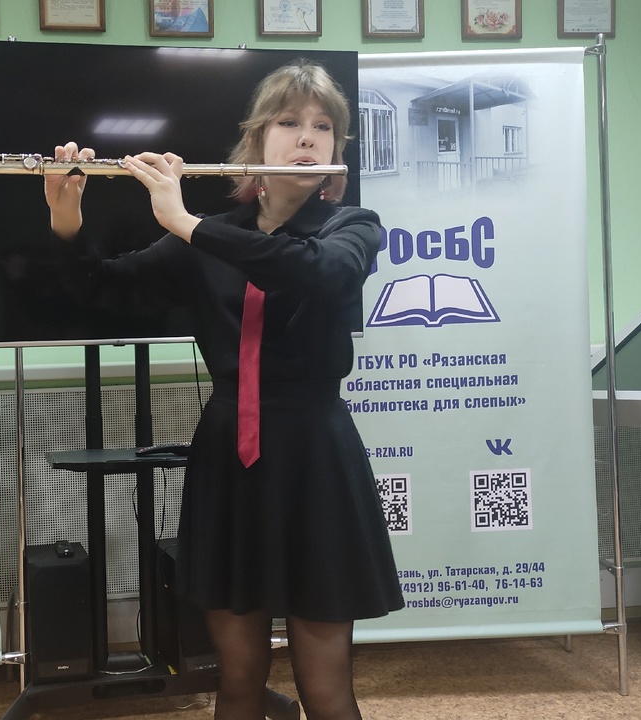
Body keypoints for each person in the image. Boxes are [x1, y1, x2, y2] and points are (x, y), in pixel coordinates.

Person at [44, 60, 404, 720]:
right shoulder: (210, 235)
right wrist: (66, 217)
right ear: (256, 139)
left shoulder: (352, 226)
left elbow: (316, 274)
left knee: (327, 689)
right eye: (289, 122)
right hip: (229, 456)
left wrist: (188, 224)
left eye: (323, 126)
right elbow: (100, 290)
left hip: (316, 456)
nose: (308, 137)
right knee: (236, 680)